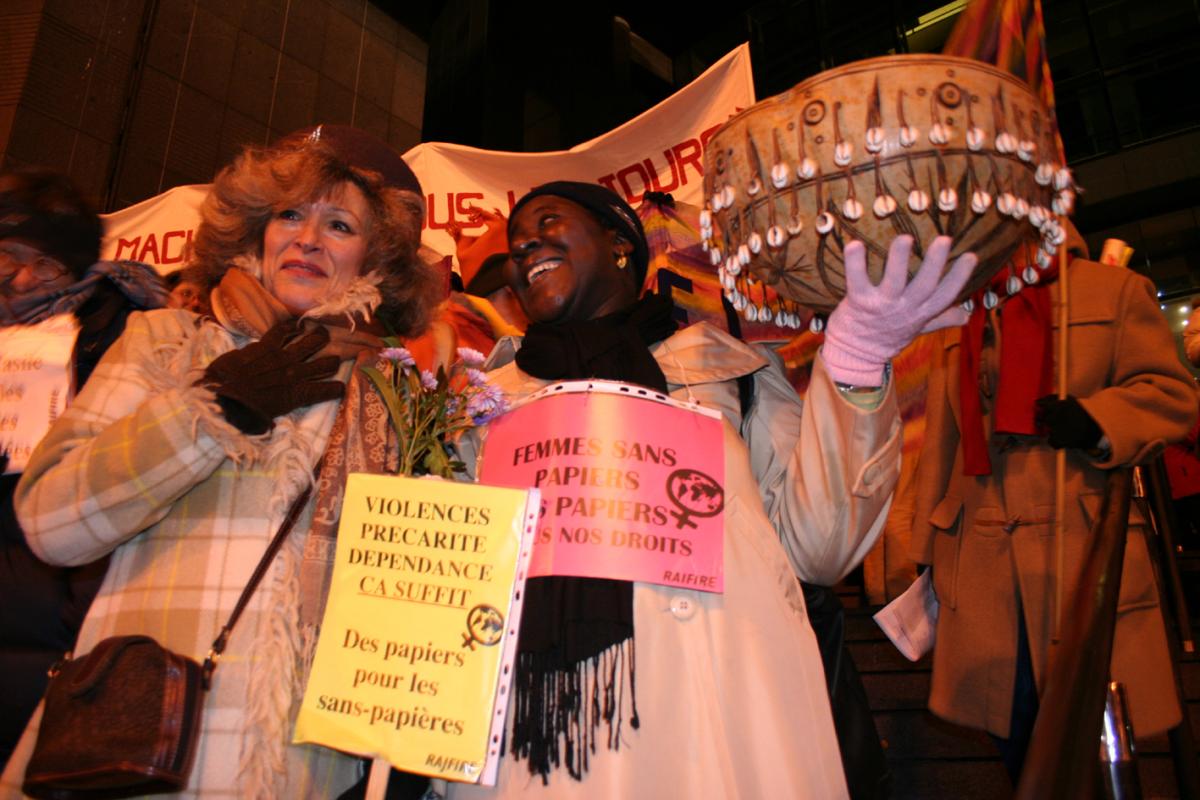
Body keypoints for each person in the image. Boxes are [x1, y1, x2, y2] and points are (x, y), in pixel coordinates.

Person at [441, 181, 976, 798]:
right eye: (516, 241)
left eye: (548, 220)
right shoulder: (478, 403)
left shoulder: (730, 370)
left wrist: (854, 365)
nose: (526, 243)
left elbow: (817, 549)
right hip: (535, 729)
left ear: (620, 244)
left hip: (719, 714)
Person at [1, 126, 444, 797]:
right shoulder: (165, 343)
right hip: (144, 741)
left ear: (377, 260)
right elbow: (52, 523)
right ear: (257, 232)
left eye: (340, 224)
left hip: (309, 759)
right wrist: (212, 410)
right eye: (289, 214)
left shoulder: (399, 395)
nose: (307, 238)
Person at [910, 230, 1199, 782]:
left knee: (1093, 737)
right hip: (982, 566)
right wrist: (924, 550)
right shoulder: (963, 307)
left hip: (1080, 549)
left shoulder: (1113, 290)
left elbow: (1170, 393)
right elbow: (944, 439)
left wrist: (1099, 420)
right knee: (1017, 736)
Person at [0, 168, 167, 771]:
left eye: (46, 266)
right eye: (9, 255)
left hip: (49, 618)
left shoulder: (119, 334)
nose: (21, 277)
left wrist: (80, 623)